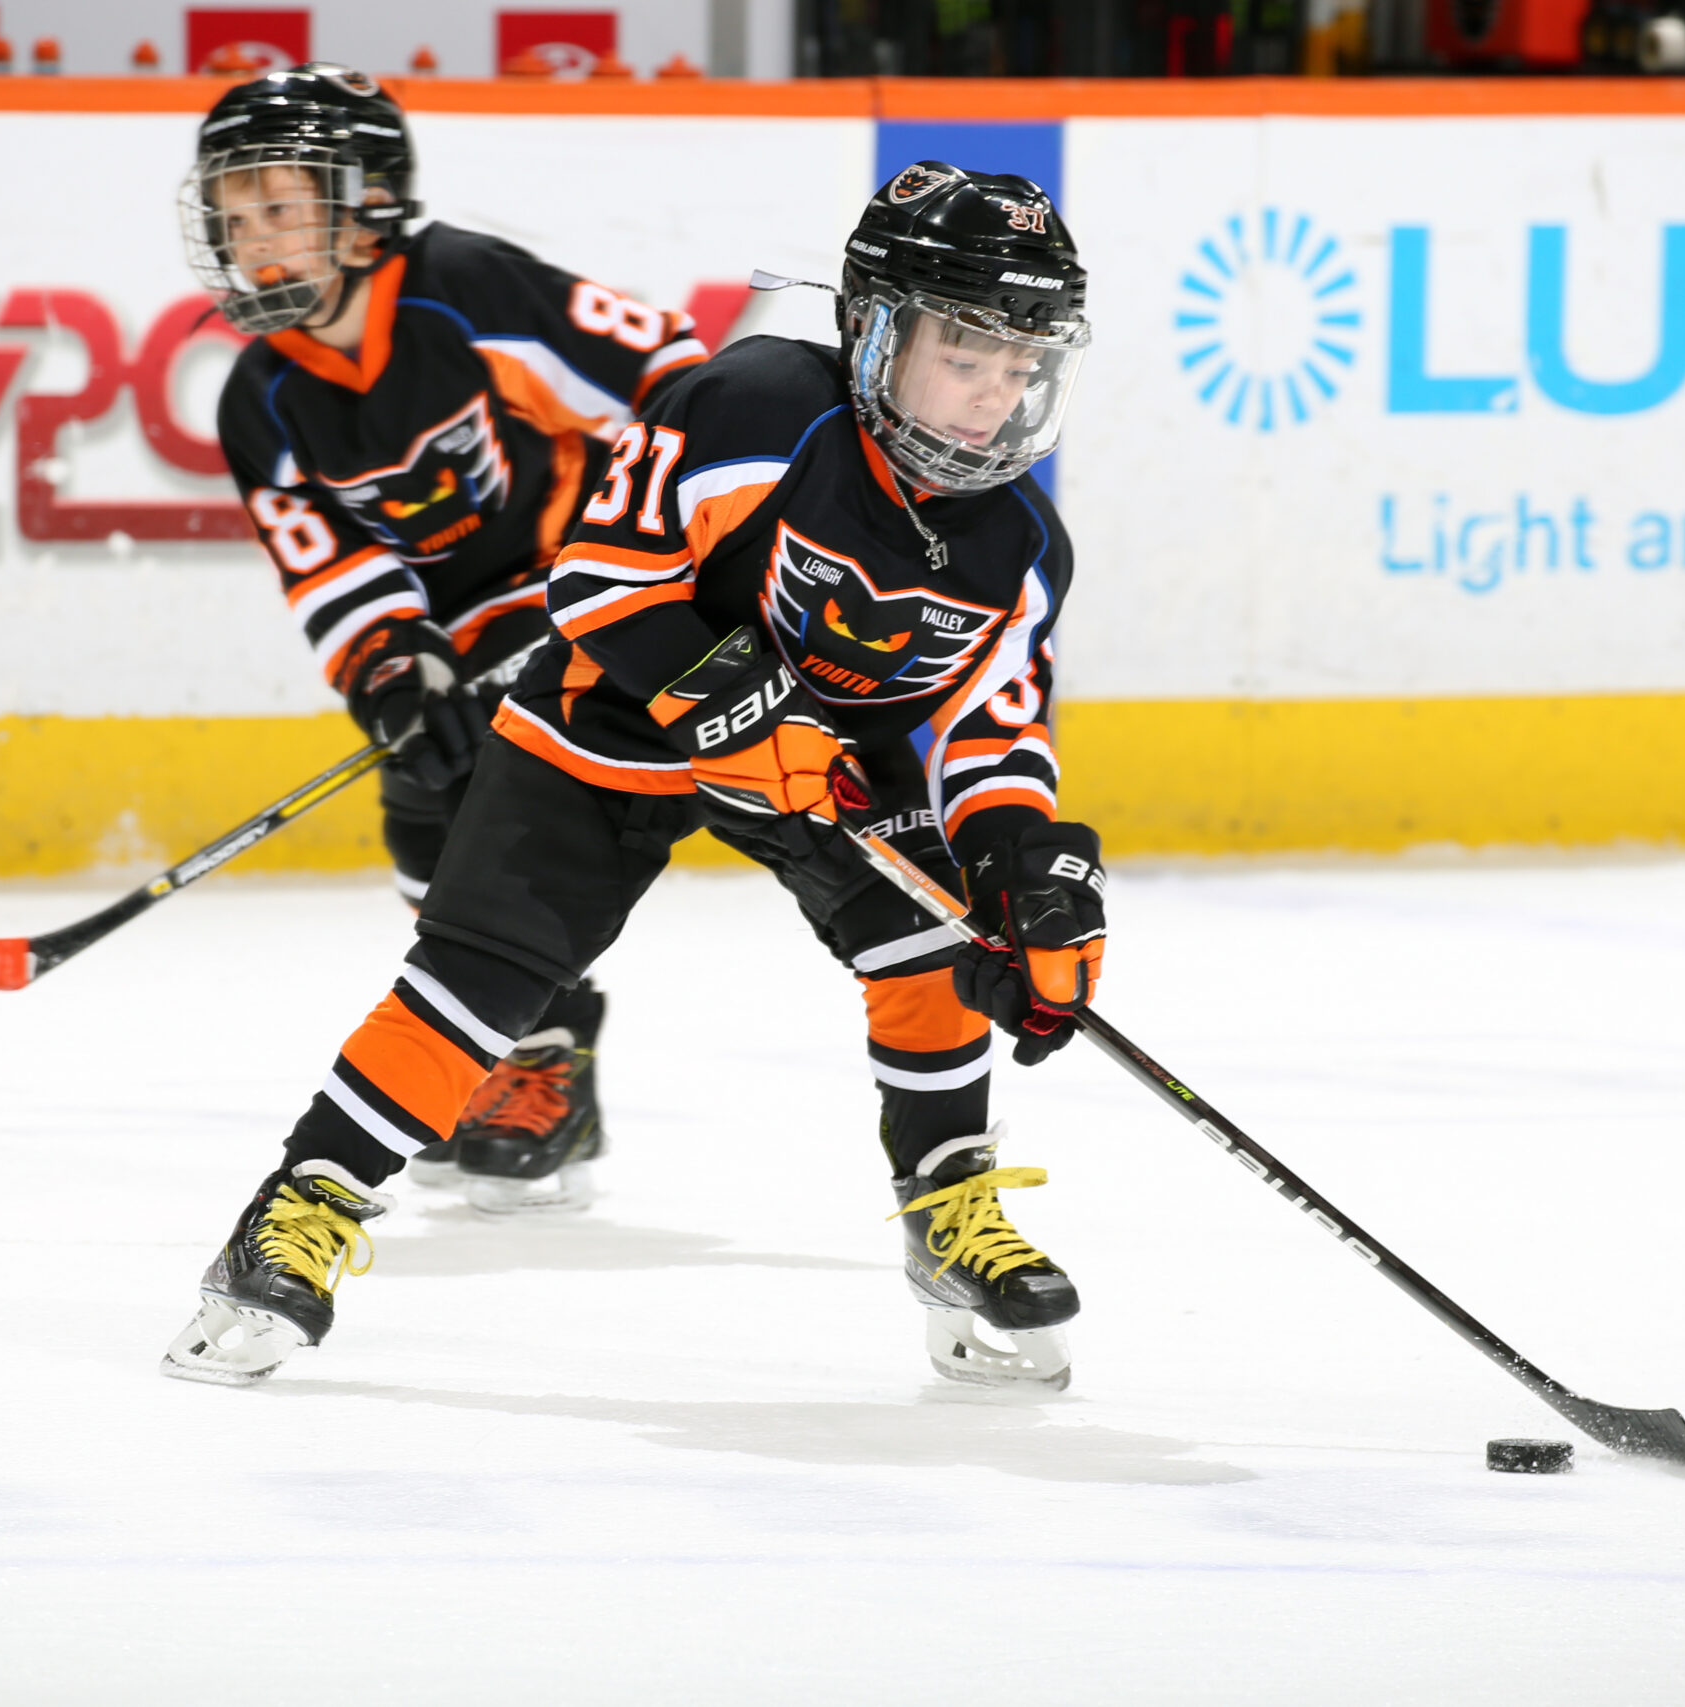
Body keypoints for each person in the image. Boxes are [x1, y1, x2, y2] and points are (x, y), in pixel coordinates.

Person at [162, 162, 1107, 1392]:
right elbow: (600, 581)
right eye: (963, 357)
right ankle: (299, 1214)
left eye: (1018, 367)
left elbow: (991, 733)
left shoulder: (1022, 545)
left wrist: (1024, 872)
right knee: (480, 977)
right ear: (876, 328)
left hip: (819, 759)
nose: (992, 399)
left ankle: (951, 1209)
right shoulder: (763, 407)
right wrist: (729, 702)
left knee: (933, 942)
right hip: (611, 715)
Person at [185, 65, 705, 1204]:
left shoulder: (465, 289)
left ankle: (543, 1056)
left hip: (606, 582)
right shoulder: (260, 399)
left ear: (367, 200)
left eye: (279, 204)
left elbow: (677, 387)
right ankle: (513, 1049)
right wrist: (392, 675)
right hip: (470, 627)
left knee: (521, 789)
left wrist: (649, 565)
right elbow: (334, 568)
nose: (252, 237)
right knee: (422, 782)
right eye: (233, 212)